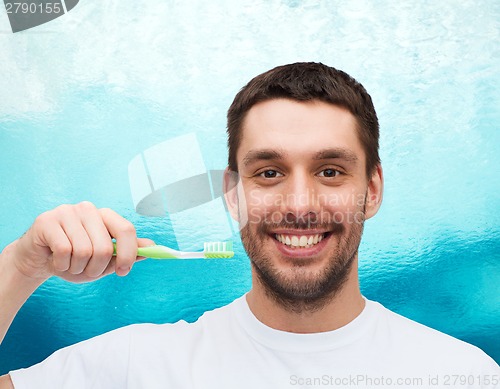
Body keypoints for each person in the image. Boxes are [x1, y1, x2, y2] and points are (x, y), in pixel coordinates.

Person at [0, 62, 498, 389]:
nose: (299, 204)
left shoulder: (464, 375)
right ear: (234, 197)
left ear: (371, 190)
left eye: (329, 171)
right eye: (269, 173)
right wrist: (21, 266)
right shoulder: (134, 368)